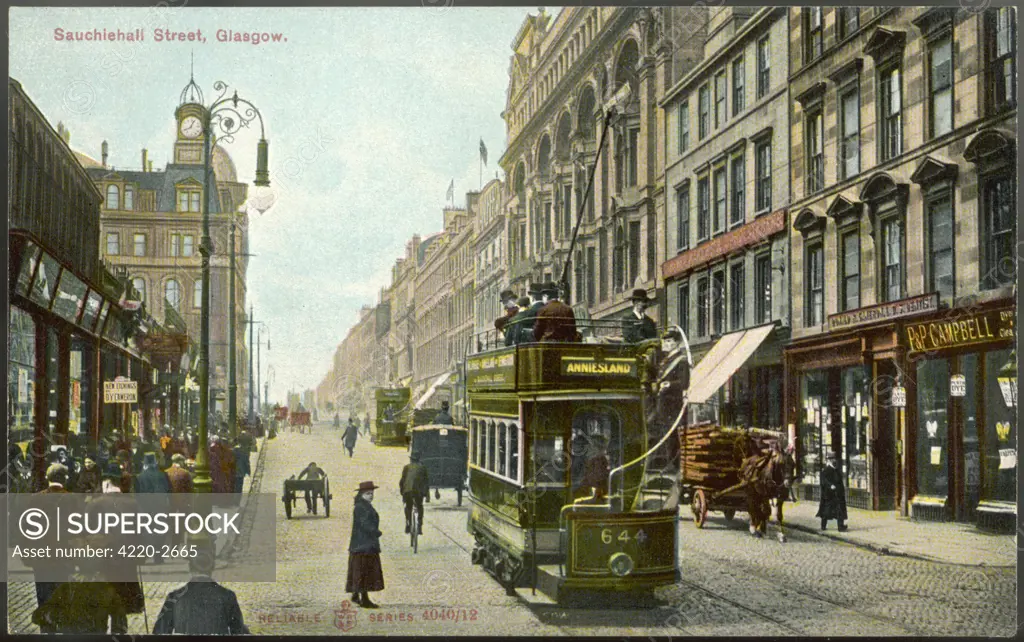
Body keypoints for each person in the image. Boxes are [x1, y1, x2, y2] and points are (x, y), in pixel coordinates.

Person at [152, 552, 250, 634]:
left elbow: (160, 632)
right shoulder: (228, 596)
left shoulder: (174, 597)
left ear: (190, 569)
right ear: (211, 569)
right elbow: (238, 632)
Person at [31, 559, 128, 634]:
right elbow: (38, 615)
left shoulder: (67, 588)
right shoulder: (66, 589)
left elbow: (39, 615)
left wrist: (52, 617)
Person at [345, 481, 384, 608]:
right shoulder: (361, 507)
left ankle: (356, 594)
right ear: (361, 494)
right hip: (363, 545)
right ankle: (365, 600)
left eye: (372, 493)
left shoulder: (363, 505)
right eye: (368, 493)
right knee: (364, 571)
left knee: (360, 570)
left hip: (362, 544)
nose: (371, 496)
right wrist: (376, 532)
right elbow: (364, 524)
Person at [817, 452, 848, 532]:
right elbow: (824, 481)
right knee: (826, 511)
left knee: (840, 510)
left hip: (838, 494)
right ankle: (823, 525)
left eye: (835, 459)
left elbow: (840, 482)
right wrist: (830, 485)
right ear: (829, 460)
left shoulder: (837, 470)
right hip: (829, 495)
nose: (834, 461)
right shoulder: (826, 471)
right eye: (832, 459)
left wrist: (841, 491)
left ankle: (840, 527)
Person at [399, 453, 429, 535]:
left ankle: (408, 524)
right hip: (418, 492)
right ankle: (419, 526)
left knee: (408, 507)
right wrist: (426, 495)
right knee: (419, 507)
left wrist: (402, 492)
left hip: (407, 492)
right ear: (419, 460)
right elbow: (426, 482)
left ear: (411, 459)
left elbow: (402, 481)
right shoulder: (423, 468)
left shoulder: (406, 467)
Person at [578, 434, 611, 499]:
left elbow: (596, 479)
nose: (587, 448)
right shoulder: (591, 460)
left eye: (590, 445)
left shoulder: (599, 460)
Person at [233, 436, 252, 504]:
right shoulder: (243, 450)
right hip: (241, 471)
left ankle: (235, 500)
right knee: (239, 487)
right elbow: (246, 462)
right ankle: (237, 501)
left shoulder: (233, 450)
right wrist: (248, 471)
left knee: (235, 486)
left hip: (234, 471)